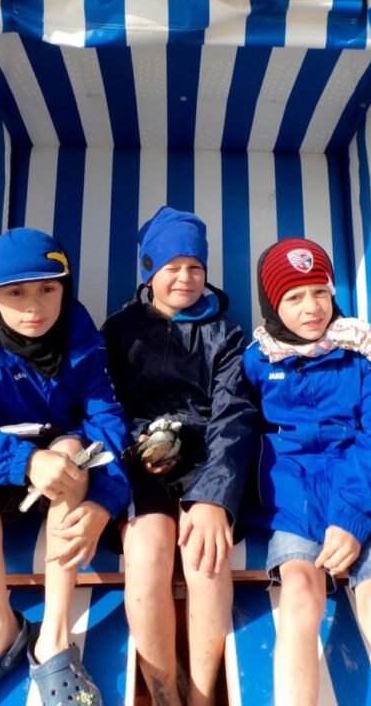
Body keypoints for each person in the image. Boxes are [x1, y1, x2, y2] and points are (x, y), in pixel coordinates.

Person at [0, 227, 130, 706]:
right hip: (8, 480)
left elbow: (111, 424)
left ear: (64, 290)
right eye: (16, 293)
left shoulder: (85, 347)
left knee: (74, 449)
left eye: (47, 289)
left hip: (66, 489)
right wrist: (26, 460)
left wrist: (103, 500)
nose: (34, 306)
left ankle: (53, 637)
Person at [243, 237, 371, 706]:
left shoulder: (367, 350)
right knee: (300, 596)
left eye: (319, 292)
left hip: (369, 493)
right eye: (294, 297)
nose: (312, 308)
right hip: (293, 497)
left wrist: (354, 517)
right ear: (271, 304)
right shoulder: (258, 359)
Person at [101, 206, 257, 706]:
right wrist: (137, 444)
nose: (185, 278)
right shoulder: (121, 331)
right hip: (141, 459)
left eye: (195, 267)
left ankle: (203, 693)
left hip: (208, 461)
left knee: (205, 556)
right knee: (147, 551)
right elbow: (104, 405)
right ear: (149, 272)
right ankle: (165, 692)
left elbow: (234, 417)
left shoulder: (227, 335)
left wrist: (215, 498)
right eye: (171, 268)